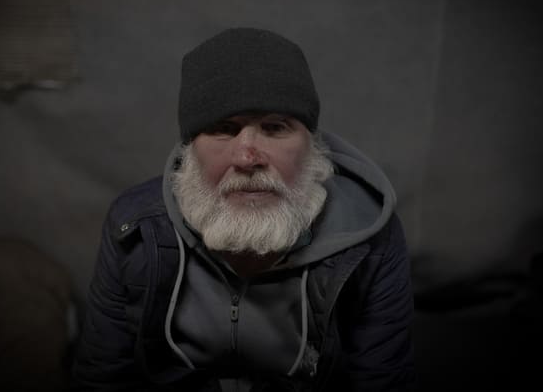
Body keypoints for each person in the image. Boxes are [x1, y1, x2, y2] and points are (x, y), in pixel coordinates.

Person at [72, 28, 415, 391]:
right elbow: (103, 378)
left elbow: (382, 383)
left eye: (275, 127)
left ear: (312, 146)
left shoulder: (369, 238)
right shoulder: (135, 227)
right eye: (223, 128)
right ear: (190, 149)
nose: (248, 157)